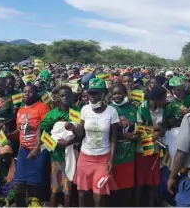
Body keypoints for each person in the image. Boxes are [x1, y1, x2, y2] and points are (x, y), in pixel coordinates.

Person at [74, 77, 119, 207]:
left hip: (103, 158)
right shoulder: (84, 110)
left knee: (99, 196)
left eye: (95, 93)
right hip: (85, 157)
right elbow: (81, 133)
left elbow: (113, 138)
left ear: (103, 93)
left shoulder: (112, 112)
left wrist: (111, 159)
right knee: (82, 194)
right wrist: (73, 129)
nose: (92, 96)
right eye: (90, 92)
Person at [9, 85, 51, 207]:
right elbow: (20, 130)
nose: (27, 94)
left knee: (35, 188)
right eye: (24, 91)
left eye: (30, 92)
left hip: (39, 150)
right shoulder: (21, 110)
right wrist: (8, 135)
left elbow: (46, 129)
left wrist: (37, 148)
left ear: (37, 94)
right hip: (23, 151)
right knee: (18, 186)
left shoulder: (43, 108)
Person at [40, 85, 80, 207]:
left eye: (68, 95)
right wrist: (53, 144)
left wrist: (69, 141)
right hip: (56, 155)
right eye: (62, 95)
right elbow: (42, 131)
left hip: (72, 154)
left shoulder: (77, 111)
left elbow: (82, 134)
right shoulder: (52, 114)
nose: (66, 98)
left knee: (68, 189)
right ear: (57, 97)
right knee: (55, 188)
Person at [135, 86, 167, 207]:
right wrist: (156, 129)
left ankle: (151, 204)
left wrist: (158, 131)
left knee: (153, 182)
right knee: (140, 183)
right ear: (155, 99)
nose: (165, 101)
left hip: (155, 151)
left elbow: (163, 129)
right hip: (142, 150)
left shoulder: (163, 110)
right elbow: (139, 130)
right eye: (163, 99)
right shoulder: (141, 108)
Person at [110, 83, 138, 207]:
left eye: (120, 93)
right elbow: (106, 131)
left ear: (125, 94)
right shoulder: (108, 108)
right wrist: (123, 135)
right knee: (112, 187)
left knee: (126, 188)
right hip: (113, 156)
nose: (117, 96)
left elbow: (139, 127)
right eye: (114, 93)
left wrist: (135, 131)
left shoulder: (133, 108)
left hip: (129, 155)